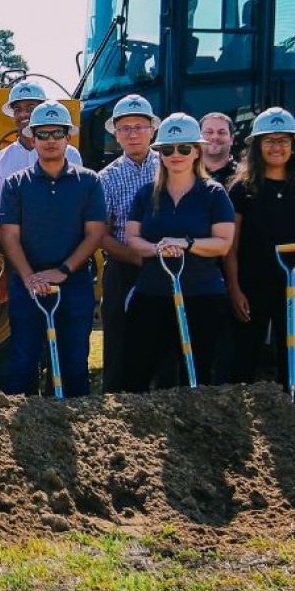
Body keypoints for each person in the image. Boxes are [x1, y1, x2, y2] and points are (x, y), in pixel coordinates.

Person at [0, 102, 106, 398]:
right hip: (26, 285)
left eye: (58, 133)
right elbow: (9, 236)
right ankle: (25, 432)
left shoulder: (89, 181)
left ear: (68, 137)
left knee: (73, 365)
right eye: (43, 134)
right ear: (33, 139)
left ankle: (75, 433)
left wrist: (62, 271)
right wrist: (31, 277)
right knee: (23, 362)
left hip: (75, 284)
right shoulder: (15, 184)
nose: (50, 140)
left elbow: (94, 233)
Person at [123, 114, 237, 389]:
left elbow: (223, 242)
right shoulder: (146, 193)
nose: (176, 155)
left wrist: (186, 243)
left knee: (197, 373)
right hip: (152, 293)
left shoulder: (214, 193)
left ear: (197, 151)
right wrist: (156, 248)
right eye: (168, 149)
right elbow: (132, 237)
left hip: (202, 295)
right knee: (139, 370)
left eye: (184, 148)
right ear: (160, 154)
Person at [222, 109, 295, 386]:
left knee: (294, 353)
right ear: (257, 147)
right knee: (244, 354)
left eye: (283, 140)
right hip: (252, 285)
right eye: (269, 140)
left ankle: (291, 407)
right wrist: (234, 289)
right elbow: (231, 245)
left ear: (294, 146)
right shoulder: (242, 189)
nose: (277, 147)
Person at [97, 94, 160, 391]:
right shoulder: (106, 178)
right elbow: (101, 233)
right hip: (123, 269)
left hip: (167, 266)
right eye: (125, 128)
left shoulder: (171, 166)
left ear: (152, 130)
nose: (133, 133)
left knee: (162, 343)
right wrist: (137, 259)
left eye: (139, 126)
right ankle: (115, 407)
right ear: (116, 134)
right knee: (119, 343)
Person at [0, 79, 82, 227]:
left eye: (31, 108)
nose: (23, 114)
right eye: (17, 109)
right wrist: (14, 249)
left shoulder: (70, 154)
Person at [200, 112, 240, 188]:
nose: (215, 137)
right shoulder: (185, 175)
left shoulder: (244, 177)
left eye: (221, 132)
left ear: (232, 139)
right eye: (209, 132)